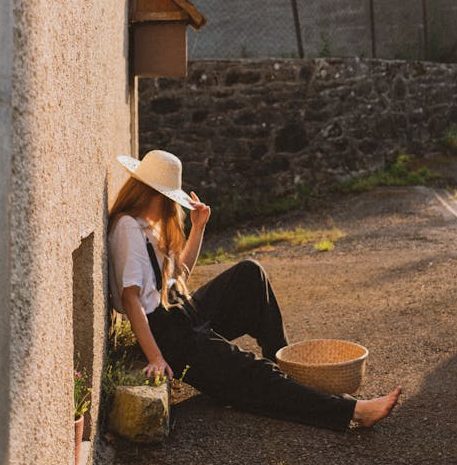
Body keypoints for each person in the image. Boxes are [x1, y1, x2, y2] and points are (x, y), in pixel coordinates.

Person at [108, 149, 402, 432]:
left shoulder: (151, 224)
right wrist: (156, 357)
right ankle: (353, 411)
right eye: (169, 199)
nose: (173, 207)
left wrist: (198, 228)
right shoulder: (128, 228)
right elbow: (131, 299)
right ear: (155, 194)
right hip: (170, 334)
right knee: (251, 373)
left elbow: (178, 276)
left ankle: (284, 364)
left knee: (250, 273)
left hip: (184, 311)